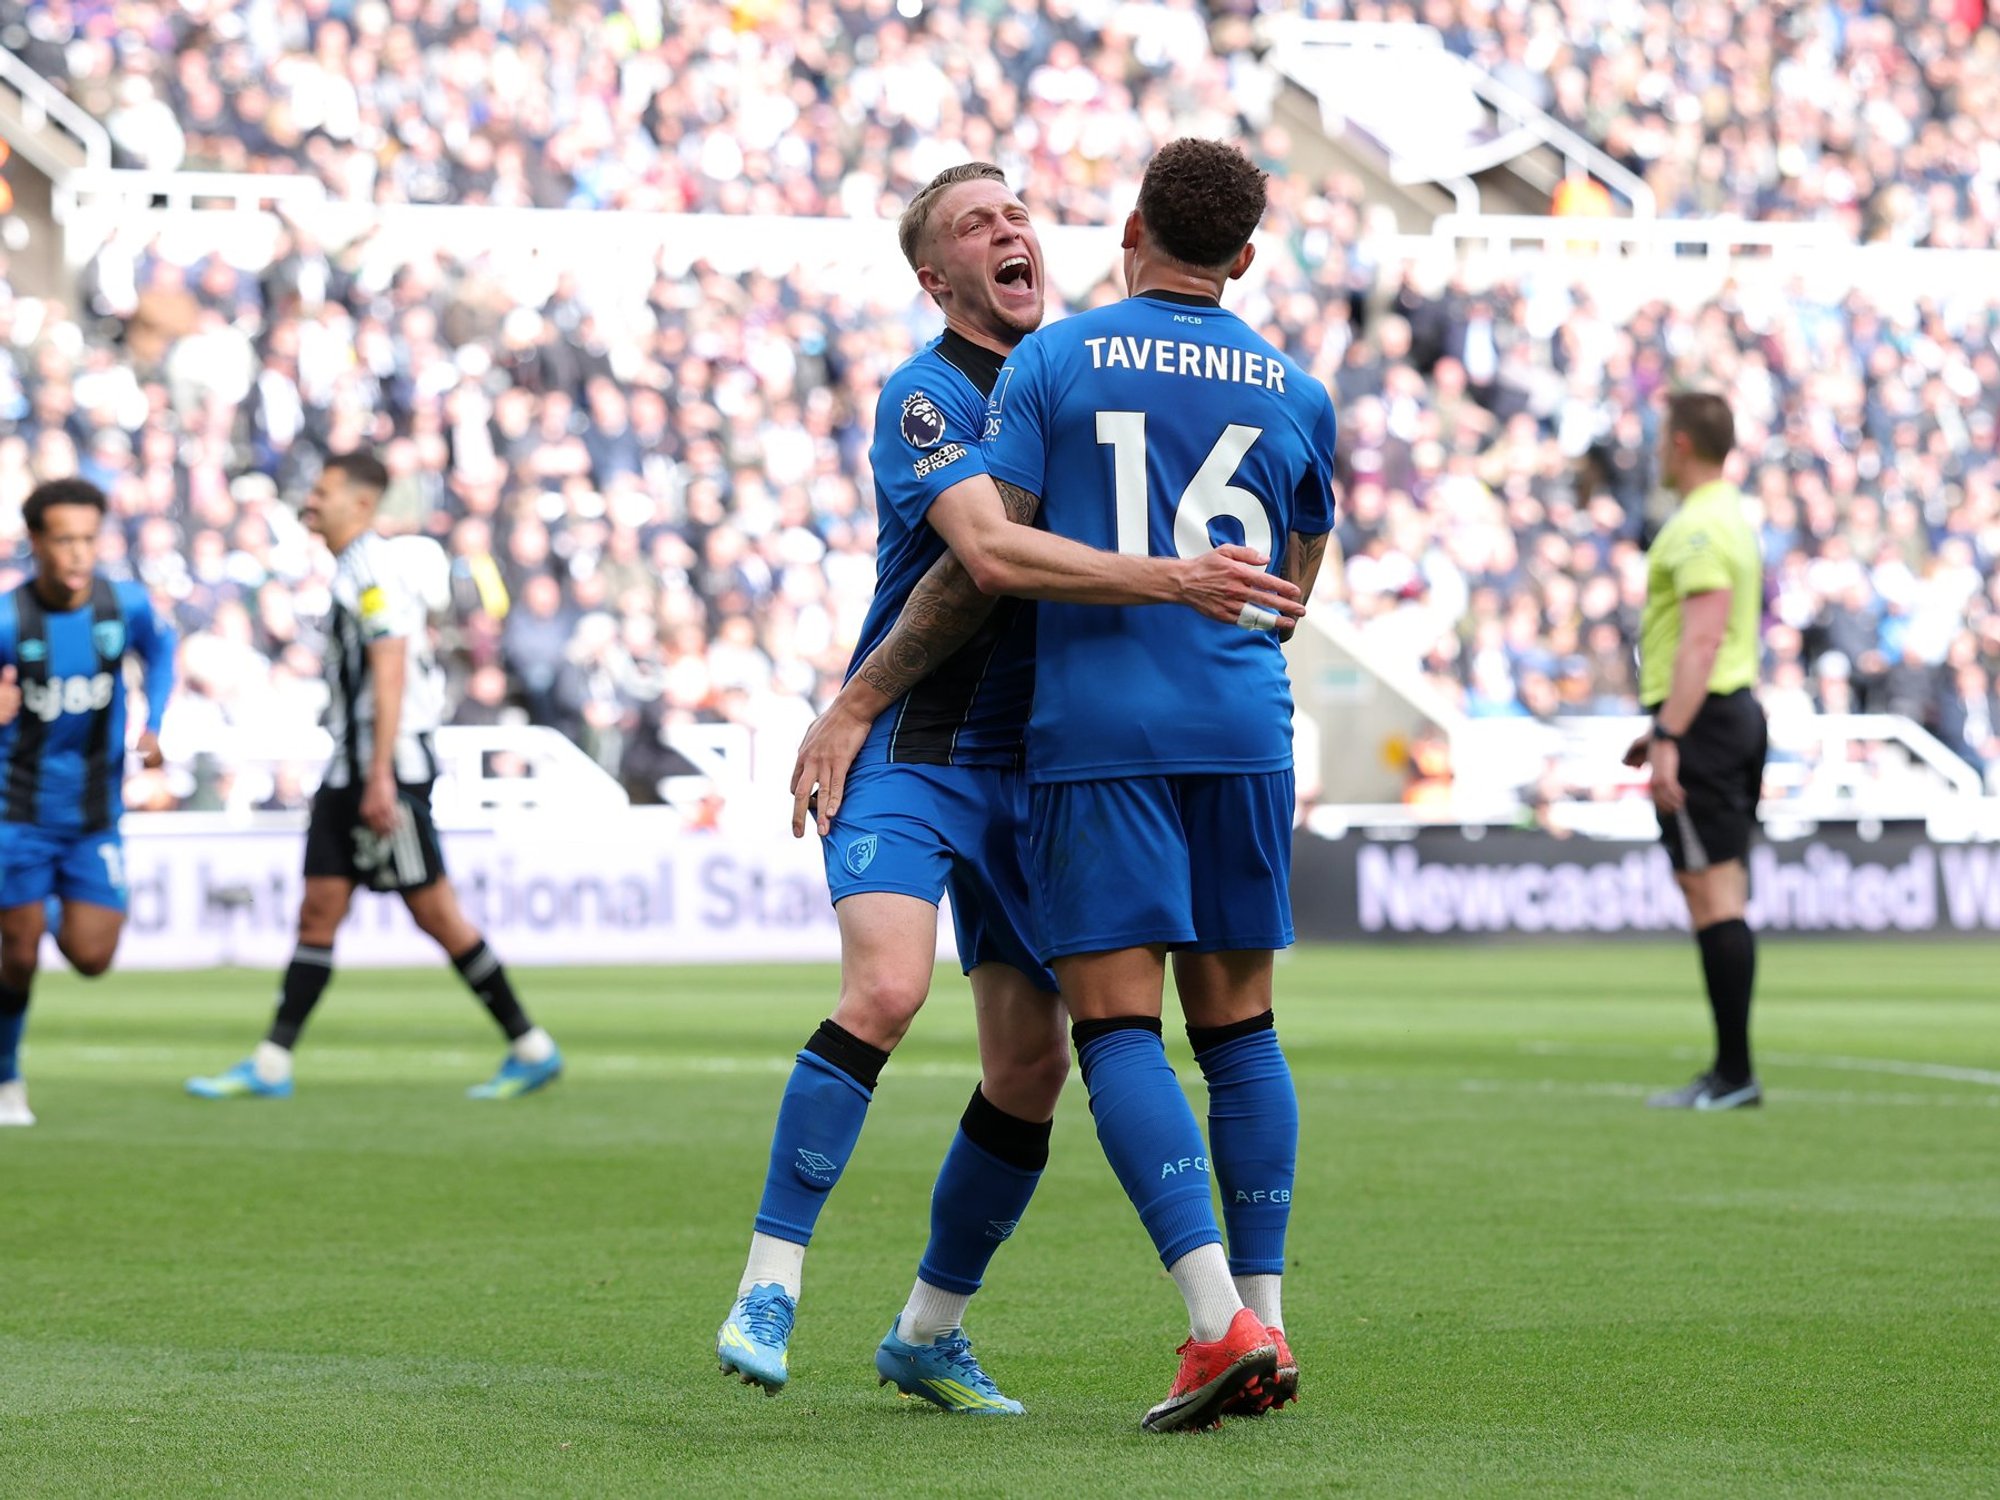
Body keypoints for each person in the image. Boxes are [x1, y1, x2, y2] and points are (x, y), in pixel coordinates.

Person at [721, 162, 1304, 1414]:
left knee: (1031, 1067)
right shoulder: (930, 394)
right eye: (973, 227)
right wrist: (852, 706)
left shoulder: (1080, 374)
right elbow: (982, 558)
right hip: (921, 753)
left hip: (1041, 773)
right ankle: (770, 1279)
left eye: (1015, 214)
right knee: (885, 986)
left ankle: (928, 1329)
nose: (1008, 231)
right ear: (935, 278)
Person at [185, 452, 562, 1102]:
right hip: (349, 768)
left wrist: (381, 776)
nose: (311, 501)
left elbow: (389, 665)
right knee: (318, 911)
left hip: (384, 770)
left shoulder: (371, 568)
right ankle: (272, 1063)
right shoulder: (353, 568)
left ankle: (530, 1046)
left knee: (437, 915)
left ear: (361, 503)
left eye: (323, 491)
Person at [0, 479, 177, 1128]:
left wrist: (153, 723)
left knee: (93, 957)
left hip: (94, 815)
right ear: (36, 544)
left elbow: (162, 651)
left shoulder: (121, 607)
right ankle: (7, 1078)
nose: (78, 554)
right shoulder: (8, 619)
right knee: (18, 957)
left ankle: (39, 903)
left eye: (88, 540)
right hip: (15, 813)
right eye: (63, 540)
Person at [1621, 392, 1768, 1111]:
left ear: (1680, 443)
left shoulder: (1700, 528)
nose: (1654, 449)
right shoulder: (1730, 515)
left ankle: (1733, 1073)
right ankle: (1732, 1072)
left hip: (1706, 723)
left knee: (1712, 895)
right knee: (1720, 891)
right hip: (1721, 715)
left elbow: (1703, 642)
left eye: (1660, 437)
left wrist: (1673, 734)